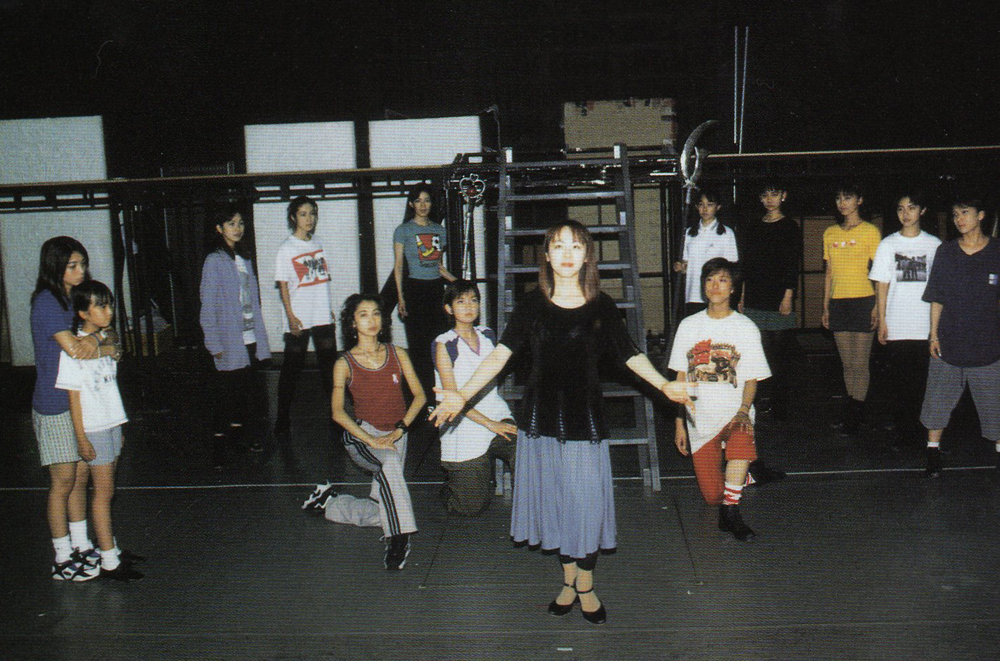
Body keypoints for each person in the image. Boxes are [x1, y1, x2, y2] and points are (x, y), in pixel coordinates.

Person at [430, 220, 693, 625]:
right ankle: (568, 581)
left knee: (585, 507)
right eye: (558, 246)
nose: (567, 254)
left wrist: (664, 385)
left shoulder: (602, 306)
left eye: (576, 246)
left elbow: (629, 353)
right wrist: (461, 394)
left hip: (584, 422)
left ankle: (586, 585)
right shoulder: (531, 305)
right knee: (556, 507)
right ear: (547, 256)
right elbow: (500, 355)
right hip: (540, 422)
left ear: (587, 255)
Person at [301, 294, 425, 570]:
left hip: (396, 434)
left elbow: (420, 396)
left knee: (386, 508)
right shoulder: (344, 363)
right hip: (361, 435)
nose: (371, 320)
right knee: (389, 464)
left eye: (376, 313)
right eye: (363, 315)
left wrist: (400, 430)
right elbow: (337, 412)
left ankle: (331, 504)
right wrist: (371, 440)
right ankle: (399, 538)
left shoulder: (398, 354)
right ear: (353, 323)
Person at [31, 236, 121, 581]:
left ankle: (81, 545)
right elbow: (76, 350)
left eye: (83, 264)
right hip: (54, 404)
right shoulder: (47, 302)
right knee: (63, 481)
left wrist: (100, 338)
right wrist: (103, 343)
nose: (81, 271)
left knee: (80, 479)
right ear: (56, 267)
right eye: (73, 265)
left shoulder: (76, 297)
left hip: (79, 404)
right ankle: (61, 555)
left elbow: (107, 334)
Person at [670, 258, 773, 542]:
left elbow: (751, 378)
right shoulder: (688, 326)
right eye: (710, 280)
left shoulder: (745, 327)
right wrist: (679, 423)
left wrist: (744, 409)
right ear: (703, 286)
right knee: (713, 495)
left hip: (734, 412)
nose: (715, 286)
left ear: (733, 289)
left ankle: (731, 513)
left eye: (723, 280)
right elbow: (680, 378)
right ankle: (746, 476)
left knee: (741, 433)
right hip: (700, 419)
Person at [55, 281, 143, 581]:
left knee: (107, 491)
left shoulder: (104, 341)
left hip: (111, 422)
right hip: (94, 428)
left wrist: (119, 424)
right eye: (101, 306)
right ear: (83, 313)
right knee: (104, 493)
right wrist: (81, 437)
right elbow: (74, 399)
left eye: (110, 304)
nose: (109, 311)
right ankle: (108, 560)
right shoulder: (74, 351)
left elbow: (109, 377)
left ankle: (110, 548)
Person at [919, 193, 1000, 477]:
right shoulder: (946, 252)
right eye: (955, 214)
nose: (959, 219)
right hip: (949, 342)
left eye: (965, 212)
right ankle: (933, 453)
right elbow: (936, 297)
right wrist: (933, 335)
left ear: (981, 215)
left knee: (995, 406)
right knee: (936, 403)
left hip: (988, 345)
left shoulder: (997, 251)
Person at [433, 280, 517, 516]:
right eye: (460, 301)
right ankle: (453, 486)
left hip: (495, 413)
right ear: (449, 309)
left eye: (474, 300)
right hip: (463, 425)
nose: (469, 306)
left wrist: (495, 422)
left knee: (524, 450)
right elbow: (453, 401)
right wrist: (490, 424)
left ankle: (528, 502)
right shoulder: (444, 344)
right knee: (472, 507)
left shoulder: (487, 334)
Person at [200, 206, 272, 465]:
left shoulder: (245, 258)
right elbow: (207, 305)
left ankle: (241, 437)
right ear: (219, 228)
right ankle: (219, 445)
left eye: (240, 223)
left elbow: (253, 301)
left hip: (249, 336)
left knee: (246, 392)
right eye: (231, 223)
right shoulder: (214, 260)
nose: (237, 228)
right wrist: (213, 342)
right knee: (227, 394)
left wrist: (261, 339)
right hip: (228, 339)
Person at [870, 192, 941, 449]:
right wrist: (882, 320)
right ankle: (905, 433)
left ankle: (928, 435)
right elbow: (882, 284)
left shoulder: (934, 244)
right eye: (900, 208)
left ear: (922, 211)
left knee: (926, 385)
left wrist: (937, 329)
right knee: (900, 385)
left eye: (911, 207)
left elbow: (940, 288)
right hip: (898, 326)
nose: (905, 213)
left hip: (925, 327)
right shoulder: (888, 244)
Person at [737, 181, 801, 419]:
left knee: (780, 354)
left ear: (783, 196)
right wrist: (742, 296)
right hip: (755, 296)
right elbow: (746, 265)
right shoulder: (753, 226)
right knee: (758, 351)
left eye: (774, 194)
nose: (770, 200)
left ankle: (780, 404)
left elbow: (792, 264)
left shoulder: (790, 226)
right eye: (765, 195)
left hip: (779, 297)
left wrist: (788, 296)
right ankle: (759, 399)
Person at [274, 196, 336, 437]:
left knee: (330, 369)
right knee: (292, 368)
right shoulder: (286, 248)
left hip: (322, 315)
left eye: (312, 213)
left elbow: (321, 279)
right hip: (299, 316)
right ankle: (282, 418)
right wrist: (290, 316)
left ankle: (336, 417)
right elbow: (283, 285)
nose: (309, 219)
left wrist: (327, 307)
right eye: (303, 214)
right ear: (293, 217)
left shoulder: (319, 242)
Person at [822, 183, 881, 435]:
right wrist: (825, 307)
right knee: (847, 364)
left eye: (847, 198)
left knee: (860, 363)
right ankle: (854, 410)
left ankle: (855, 414)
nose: (842, 203)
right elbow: (829, 272)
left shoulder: (870, 231)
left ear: (859, 200)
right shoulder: (830, 233)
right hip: (838, 303)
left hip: (864, 301)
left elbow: (879, 273)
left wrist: (877, 306)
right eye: (838, 198)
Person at [393, 185, 458, 399]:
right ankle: (420, 397)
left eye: (427, 200)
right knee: (418, 347)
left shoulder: (439, 230)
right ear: (411, 204)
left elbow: (439, 266)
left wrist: (457, 283)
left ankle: (440, 394)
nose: (423, 205)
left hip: (436, 291)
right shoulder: (403, 230)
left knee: (438, 343)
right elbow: (399, 266)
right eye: (418, 200)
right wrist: (401, 297)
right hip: (414, 290)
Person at [674, 189, 739, 318]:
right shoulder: (688, 233)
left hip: (717, 293)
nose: (705, 209)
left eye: (709, 205)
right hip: (693, 294)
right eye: (701, 204)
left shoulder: (727, 233)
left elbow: (732, 267)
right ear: (696, 207)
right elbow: (685, 265)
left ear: (718, 207)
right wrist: (680, 267)